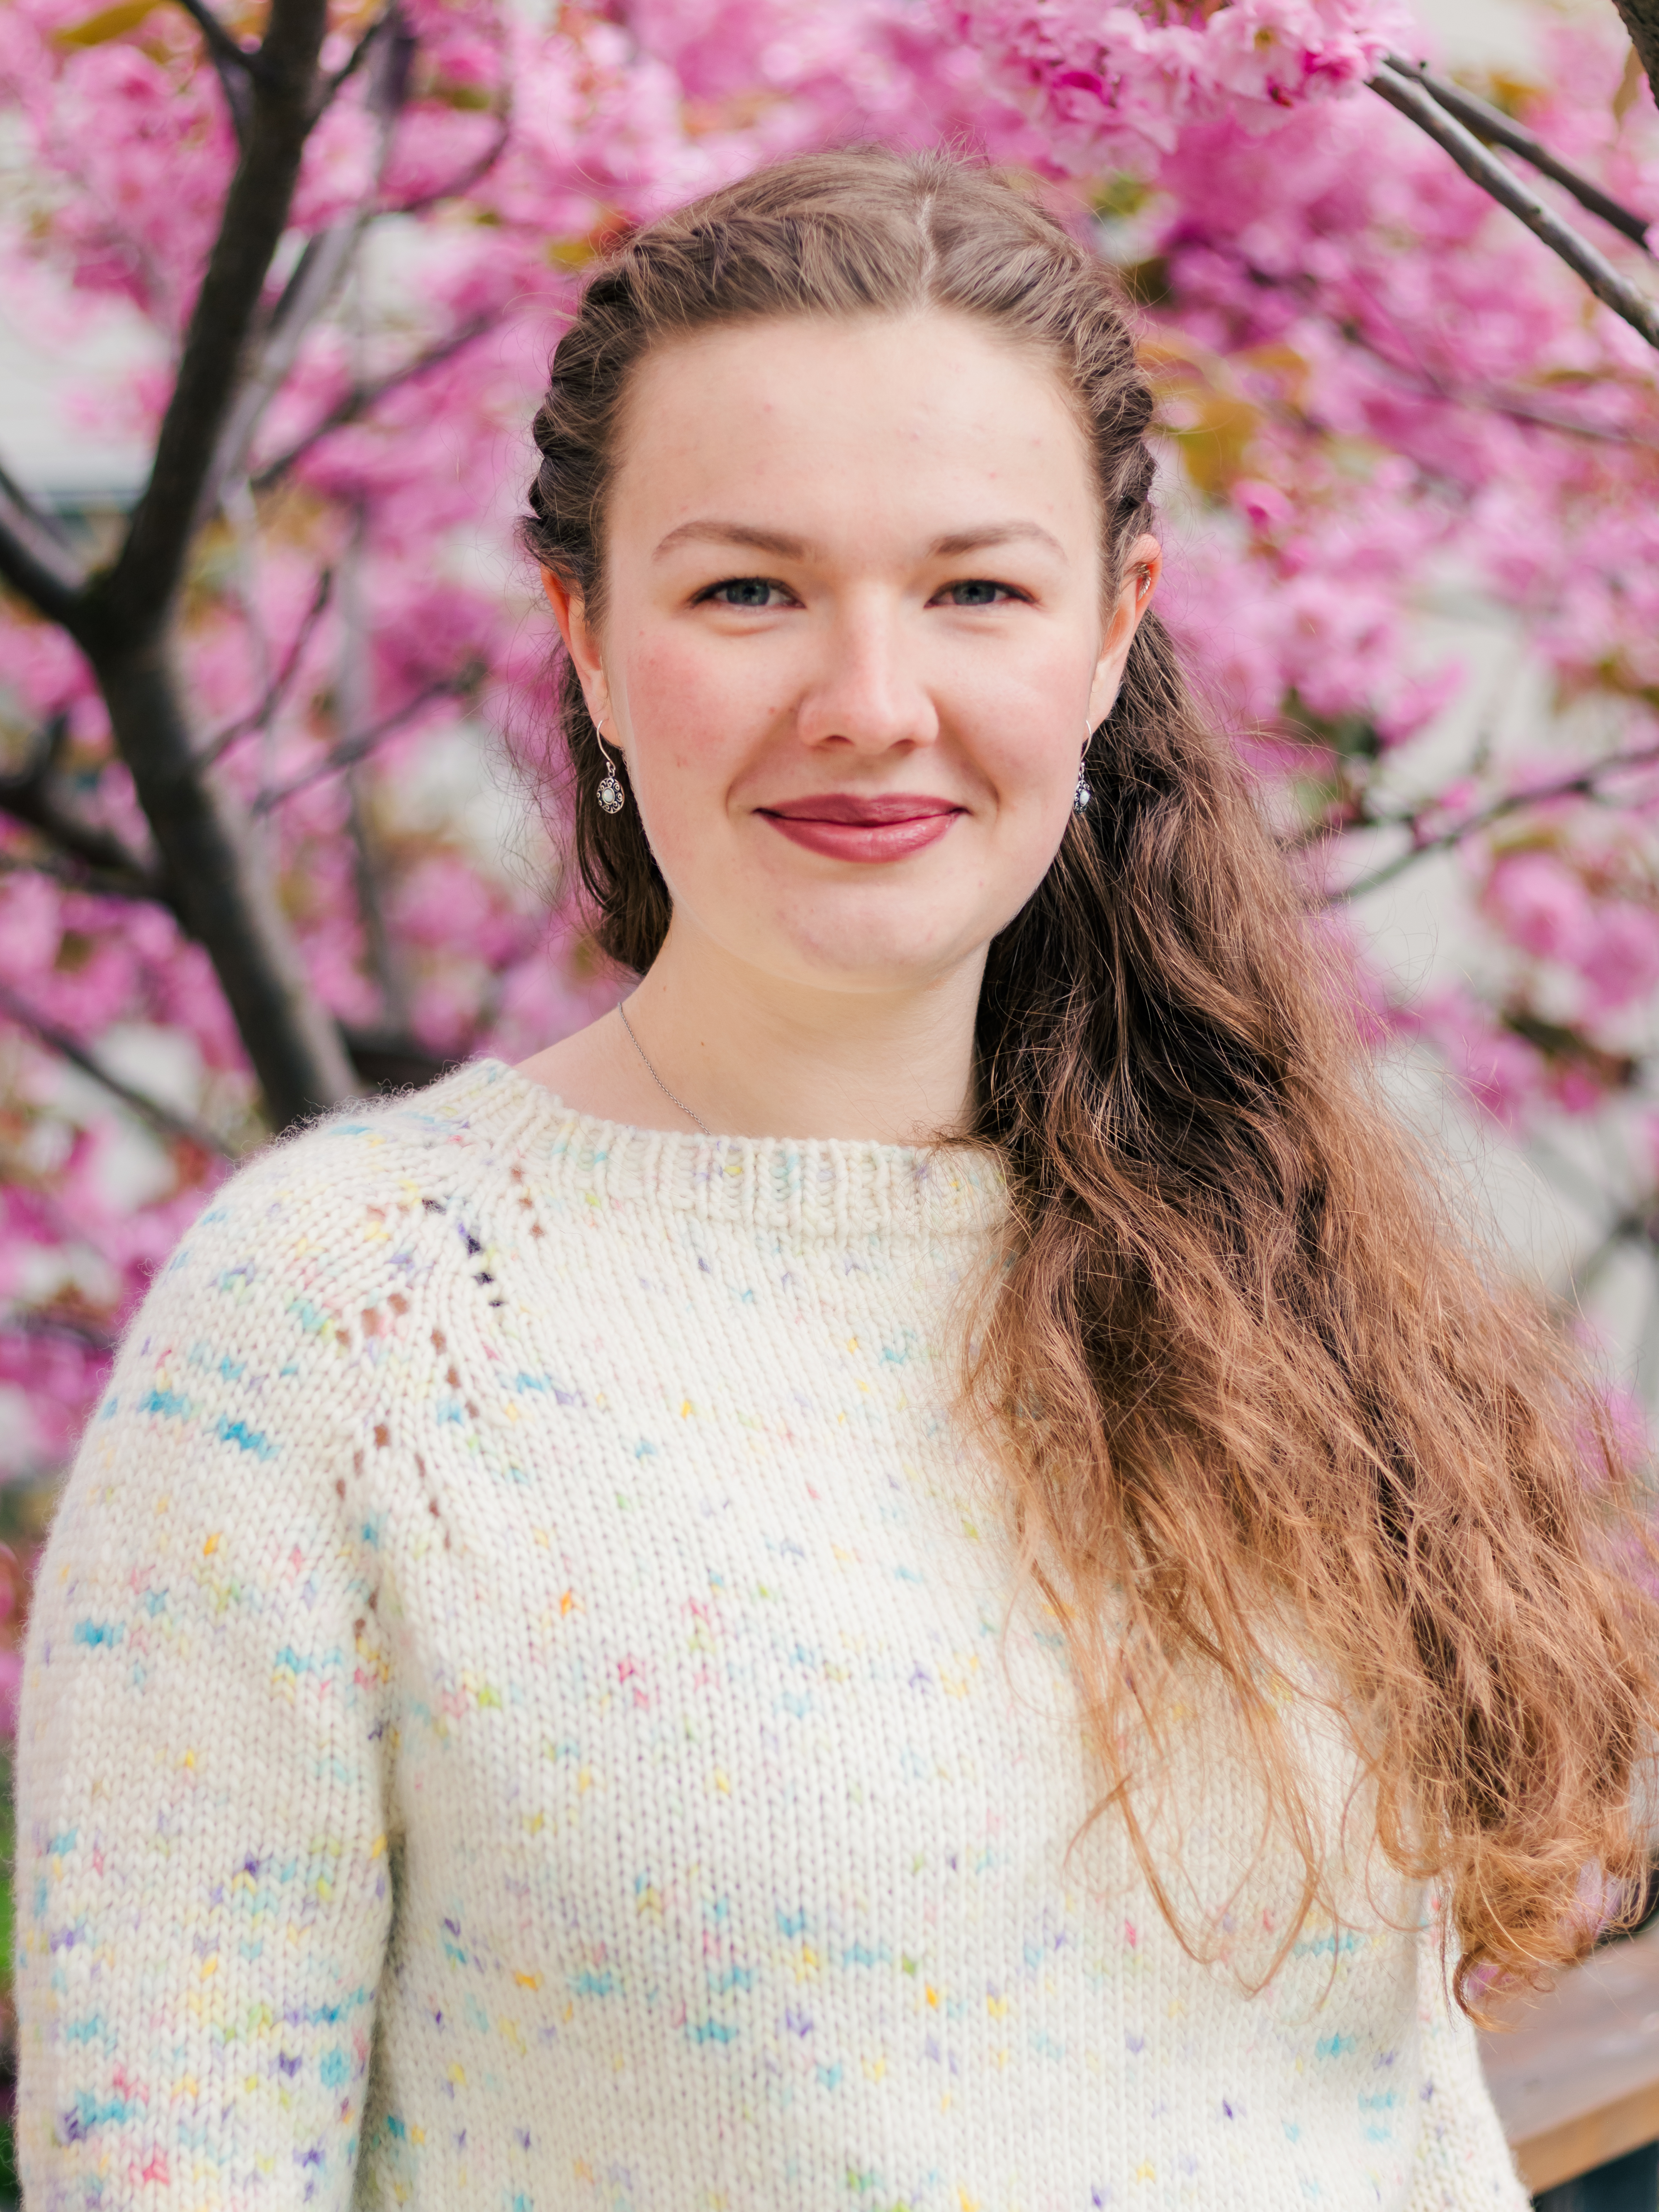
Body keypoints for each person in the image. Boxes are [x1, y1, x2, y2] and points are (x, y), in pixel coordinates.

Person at [15, 148, 1657, 2212]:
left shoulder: (1277, 1278)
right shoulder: (341, 1322)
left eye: (974, 588)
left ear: (1107, 633)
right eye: (746, 589)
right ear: (588, 640)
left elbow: (1395, 2126)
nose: (871, 704)